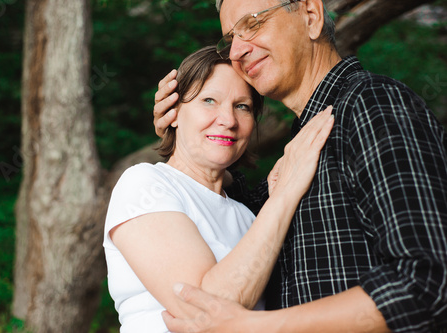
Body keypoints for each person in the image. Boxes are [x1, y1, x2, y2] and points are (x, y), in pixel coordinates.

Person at [153, 1, 447, 332]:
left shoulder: (371, 103)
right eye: (230, 37)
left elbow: (429, 283)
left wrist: (255, 327)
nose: (236, 50)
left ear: (311, 15)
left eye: (252, 24)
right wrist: (185, 135)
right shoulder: (301, 147)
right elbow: (238, 215)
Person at [103, 45, 334, 332]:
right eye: (209, 100)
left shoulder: (247, 213)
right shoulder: (144, 184)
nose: (228, 120)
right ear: (172, 112)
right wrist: (287, 192)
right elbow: (203, 312)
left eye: (242, 106)